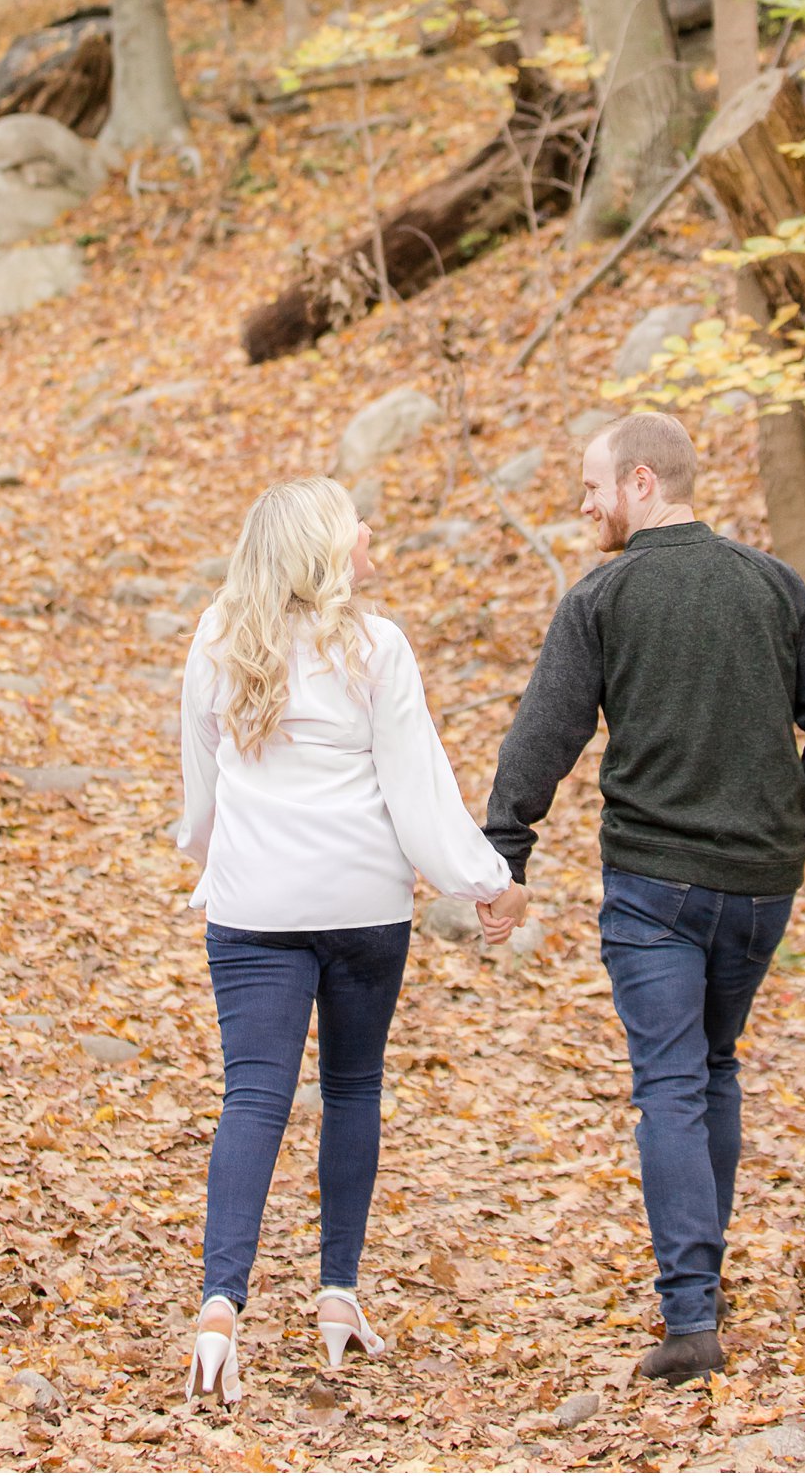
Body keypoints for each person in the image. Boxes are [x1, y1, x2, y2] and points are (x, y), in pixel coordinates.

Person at [480, 411, 805, 1381]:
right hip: (758, 887)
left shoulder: (602, 597)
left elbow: (542, 738)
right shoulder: (770, 584)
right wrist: (800, 825)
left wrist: (505, 853)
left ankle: (691, 1316)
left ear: (642, 483)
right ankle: (703, 1285)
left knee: (670, 1085)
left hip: (653, 887)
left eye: (592, 487)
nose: (583, 505)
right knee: (710, 1068)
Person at [176, 476, 525, 1403]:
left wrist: (215, 860)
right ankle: (337, 1297)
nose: (372, 530)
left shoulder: (217, 638)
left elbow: (201, 790)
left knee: (254, 1096)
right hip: (365, 907)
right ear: (323, 551)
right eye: (354, 522)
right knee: (352, 1088)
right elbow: (418, 791)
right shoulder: (376, 646)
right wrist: (485, 879)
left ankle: (220, 1308)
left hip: (254, 909)